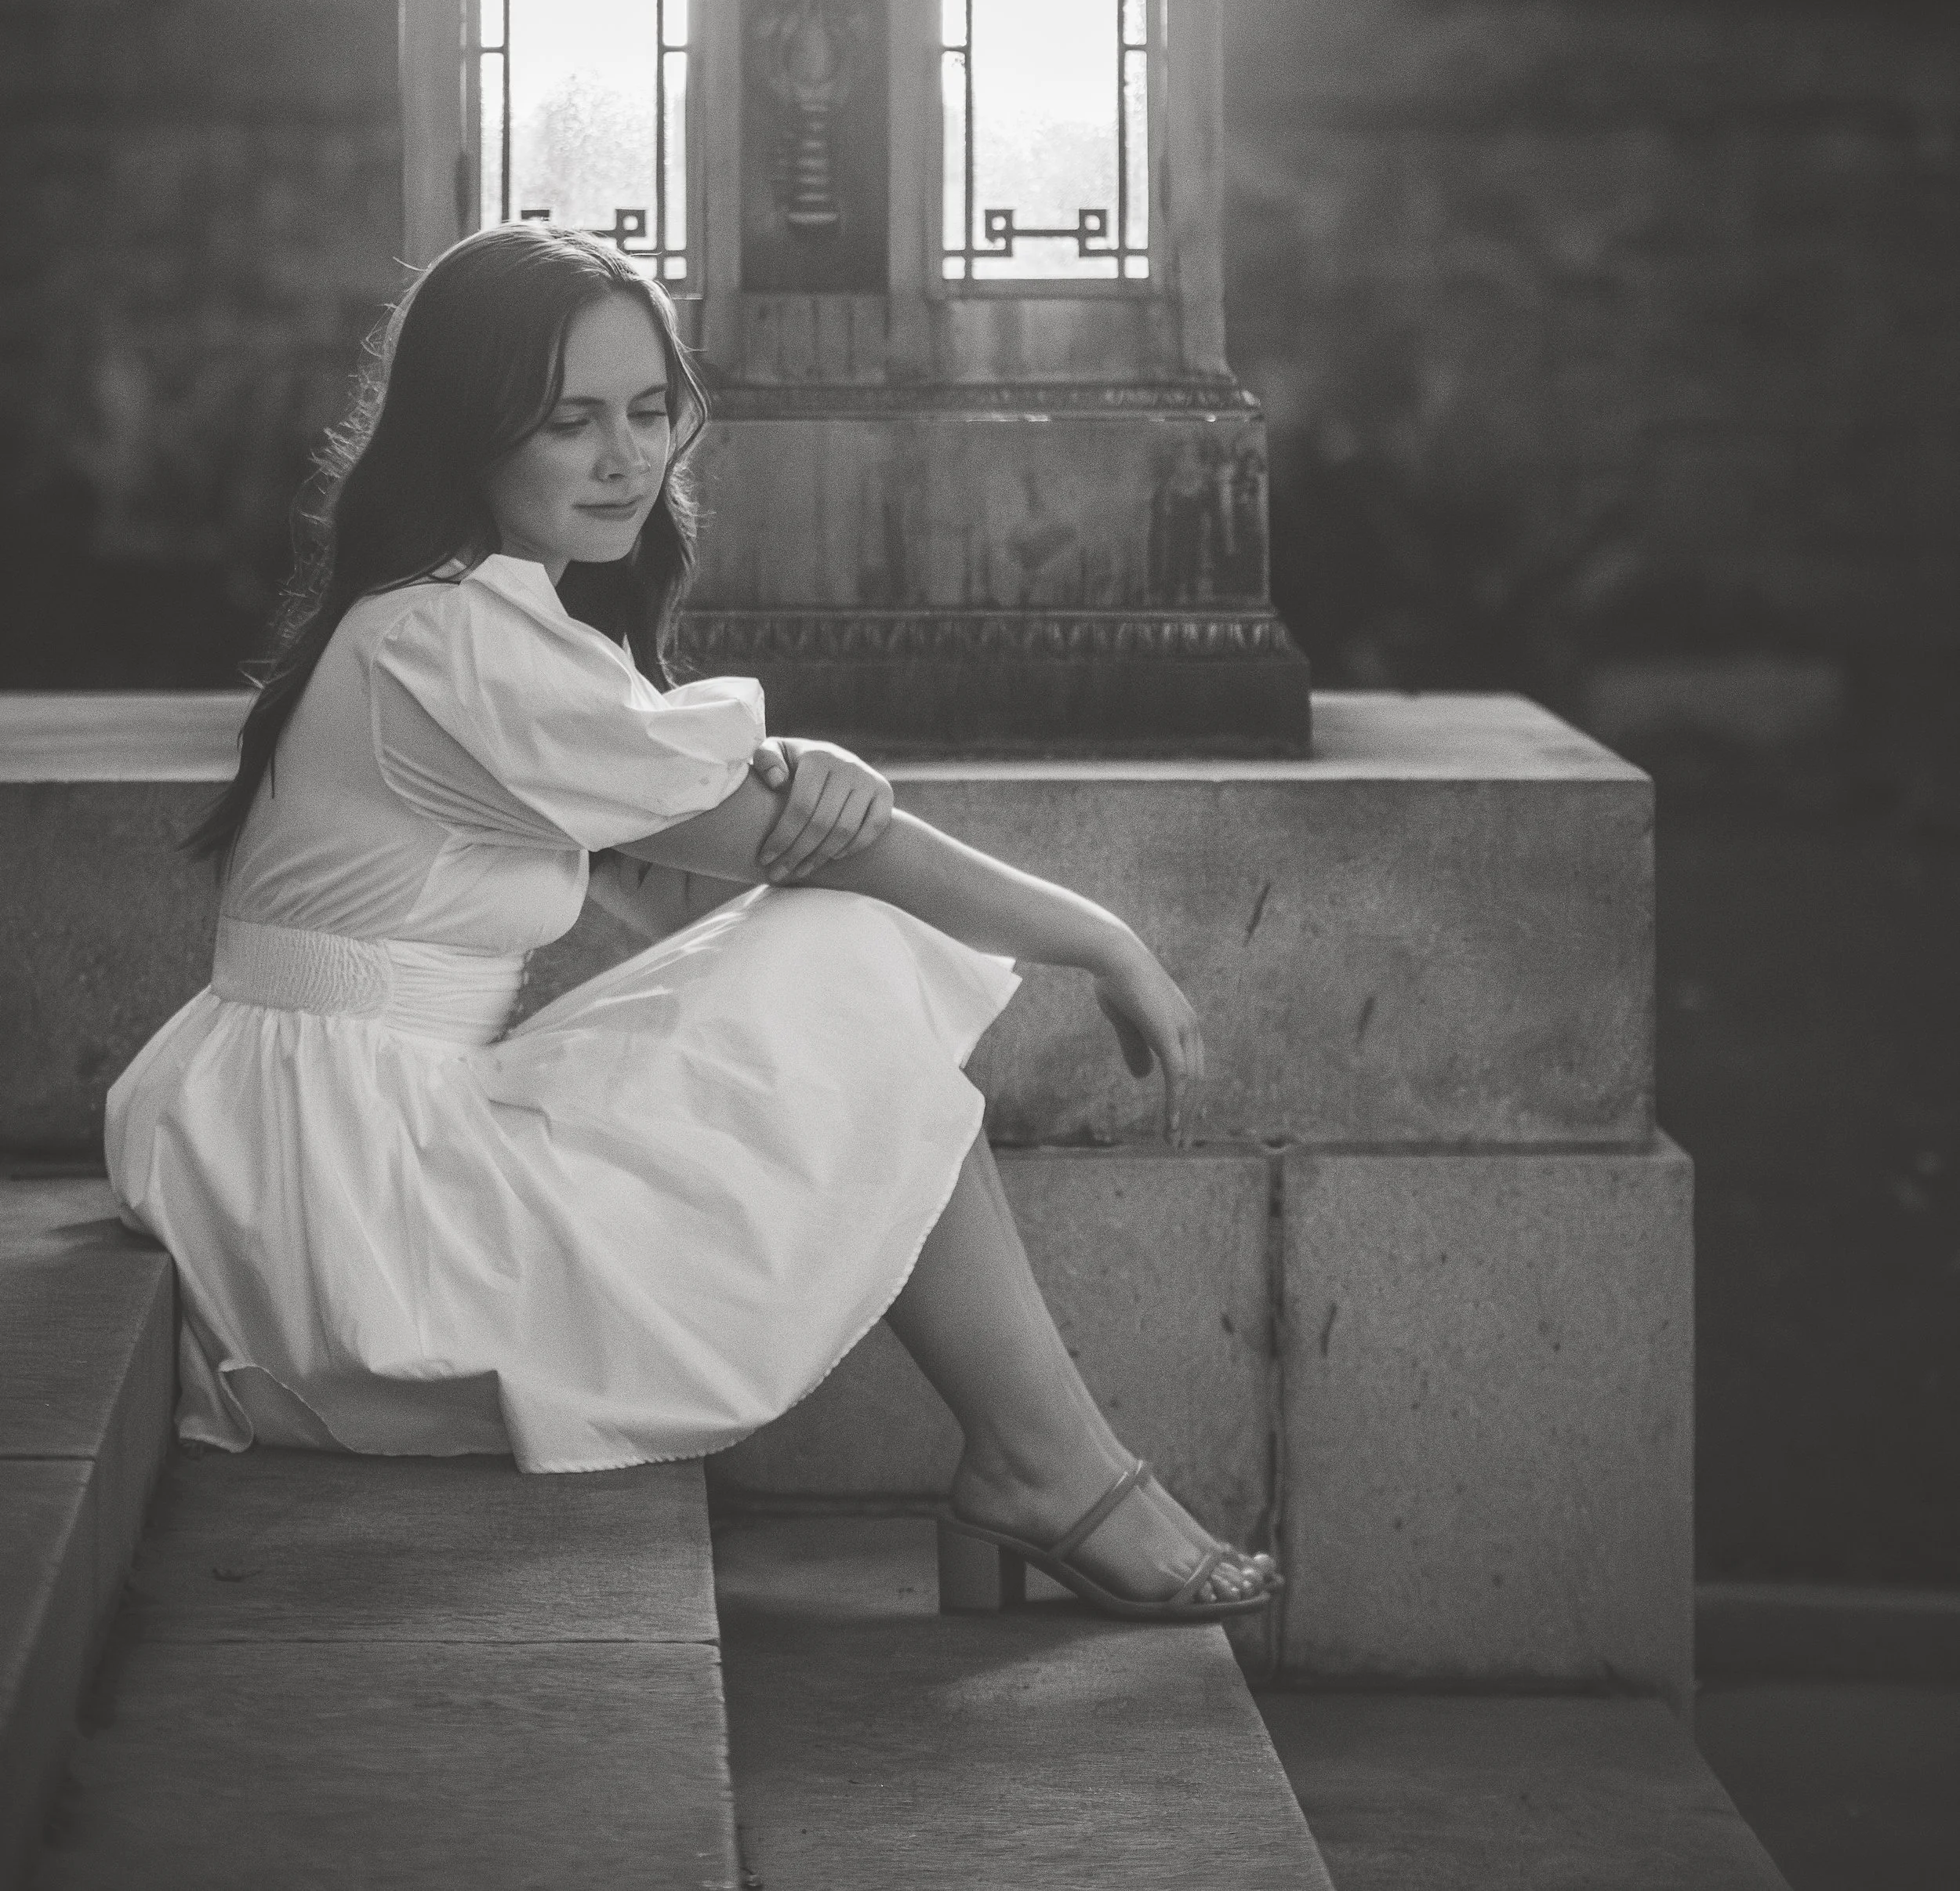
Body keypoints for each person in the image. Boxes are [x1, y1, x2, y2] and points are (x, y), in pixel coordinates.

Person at [107, 225, 1278, 1621]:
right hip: (344, 1206)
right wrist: (1101, 938)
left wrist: (794, 776)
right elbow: (803, 848)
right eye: (571, 422)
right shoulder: (450, 641)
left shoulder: (462, 617)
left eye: (651, 410)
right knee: (859, 960)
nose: (628, 459)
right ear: (466, 433)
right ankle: (1047, 1467)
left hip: (321, 1135)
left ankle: (1046, 1461)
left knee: (847, 989)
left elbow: (691, 847)